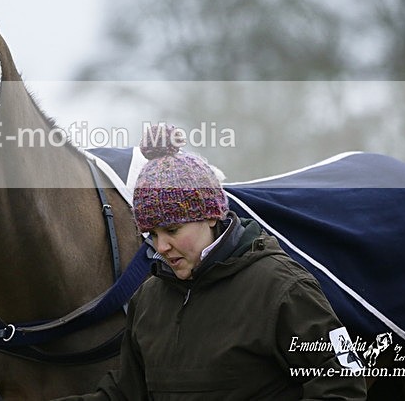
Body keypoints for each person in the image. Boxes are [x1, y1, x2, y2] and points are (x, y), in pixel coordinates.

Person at [55, 124, 366, 400]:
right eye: (151, 233)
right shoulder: (148, 299)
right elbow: (124, 394)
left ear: (211, 215)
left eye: (172, 229)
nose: (161, 246)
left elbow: (343, 384)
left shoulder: (283, 287)